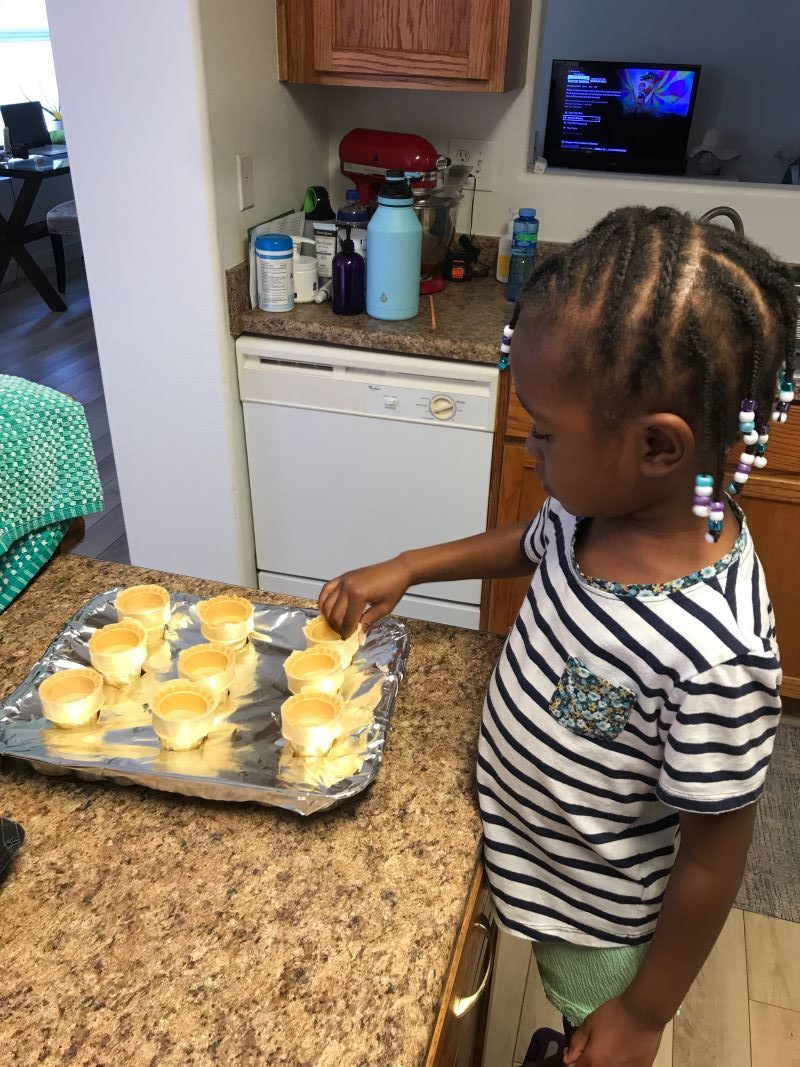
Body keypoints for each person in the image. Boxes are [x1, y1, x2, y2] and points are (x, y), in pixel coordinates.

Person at [319, 206, 797, 1067]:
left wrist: (644, 1012)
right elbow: (523, 542)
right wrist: (407, 565)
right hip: (515, 842)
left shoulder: (716, 654)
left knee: (591, 1042)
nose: (530, 446)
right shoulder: (596, 511)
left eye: (543, 428)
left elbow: (711, 860)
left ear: (658, 446)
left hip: (594, 918)